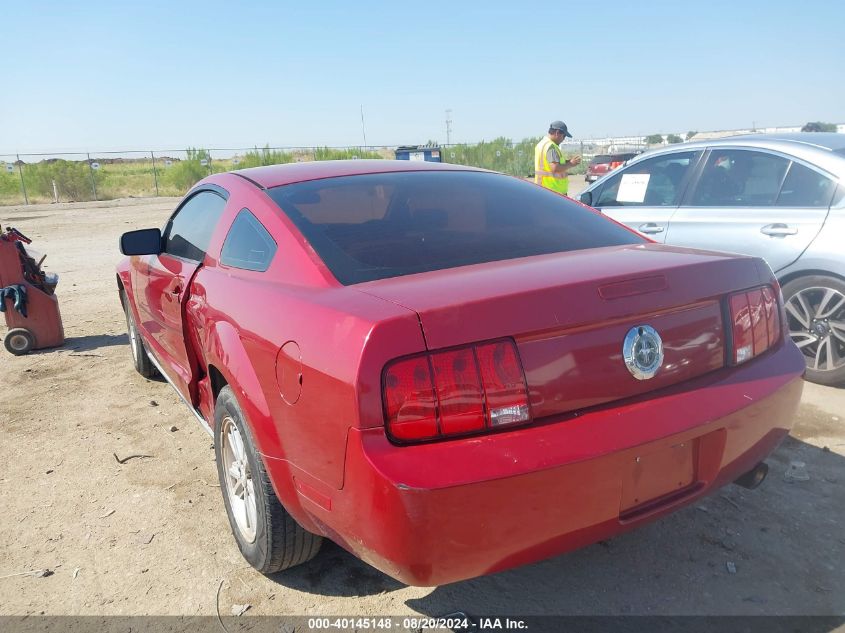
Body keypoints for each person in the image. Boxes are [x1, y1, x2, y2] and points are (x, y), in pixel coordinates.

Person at [534, 120, 581, 195]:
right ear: (557, 133)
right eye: (564, 136)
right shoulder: (551, 147)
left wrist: (568, 162)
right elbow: (555, 168)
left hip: (544, 190)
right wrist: (571, 164)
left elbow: (549, 165)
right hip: (553, 192)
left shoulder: (542, 144)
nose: (564, 139)